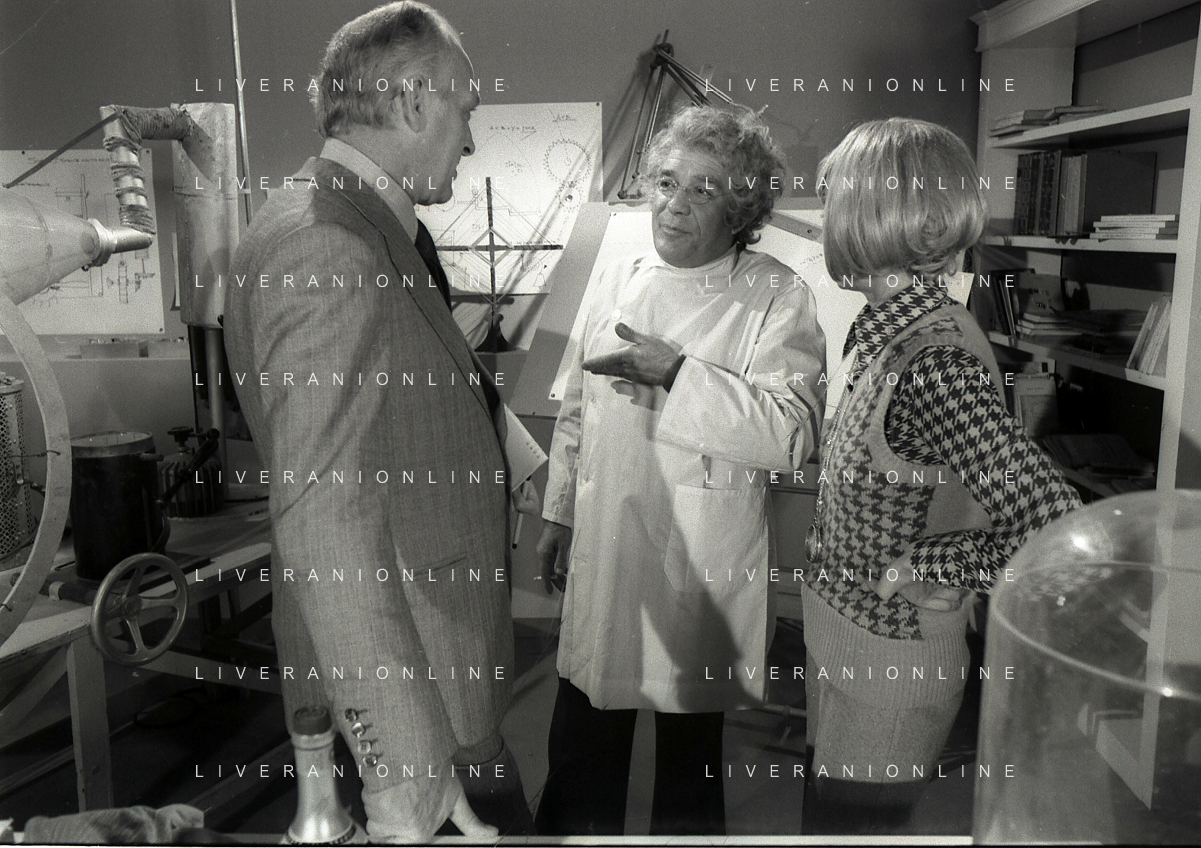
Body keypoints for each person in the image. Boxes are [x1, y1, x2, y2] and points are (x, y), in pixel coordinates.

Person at [222, 3, 533, 841]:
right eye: (466, 108)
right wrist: (405, 764)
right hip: (416, 693)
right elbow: (324, 511)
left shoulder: (345, 222)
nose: (471, 139)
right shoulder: (327, 246)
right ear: (414, 101)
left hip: (429, 660)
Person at [534, 105, 827, 835]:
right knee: (585, 729)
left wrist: (677, 374)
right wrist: (558, 512)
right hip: (606, 537)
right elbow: (578, 408)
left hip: (699, 551)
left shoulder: (775, 295)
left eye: (704, 189)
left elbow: (791, 434)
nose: (675, 204)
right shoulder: (619, 277)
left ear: (740, 209)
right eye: (667, 182)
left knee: (689, 755)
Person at [800, 117, 1082, 833]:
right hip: (846, 643)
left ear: (875, 215)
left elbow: (1056, 527)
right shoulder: (884, 331)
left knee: (850, 834)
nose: (823, 217)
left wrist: (940, 561)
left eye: (832, 199)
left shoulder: (933, 361)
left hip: (890, 667)